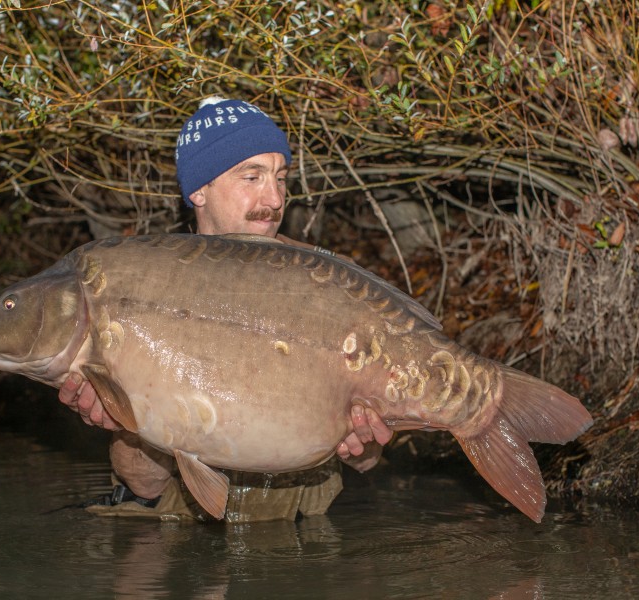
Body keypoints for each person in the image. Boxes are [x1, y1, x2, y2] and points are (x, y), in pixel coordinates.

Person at [59, 96, 393, 521]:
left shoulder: (328, 286)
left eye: (281, 178)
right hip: (186, 536)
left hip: (295, 545)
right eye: (251, 177)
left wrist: (367, 441)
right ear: (199, 190)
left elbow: (367, 462)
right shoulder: (147, 287)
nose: (273, 198)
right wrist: (127, 420)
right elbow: (143, 484)